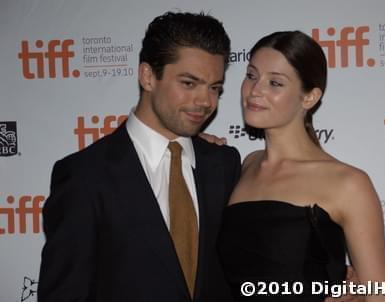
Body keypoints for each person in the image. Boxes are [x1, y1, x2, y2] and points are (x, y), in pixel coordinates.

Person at [38, 12, 240, 302]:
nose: (205, 101)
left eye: (215, 88)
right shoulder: (85, 176)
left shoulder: (223, 165)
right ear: (147, 76)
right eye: (188, 83)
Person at [218, 31, 385, 302]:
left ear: (310, 97)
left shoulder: (348, 183)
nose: (255, 90)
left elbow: (382, 297)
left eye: (275, 83)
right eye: (251, 75)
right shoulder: (247, 165)